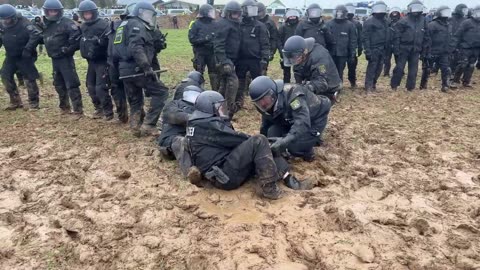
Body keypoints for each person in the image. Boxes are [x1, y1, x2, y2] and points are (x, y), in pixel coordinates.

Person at [186, 91, 309, 200]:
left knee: (261, 145)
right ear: (209, 109)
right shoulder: (209, 125)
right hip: (224, 176)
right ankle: (270, 189)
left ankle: (288, 177)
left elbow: (231, 140)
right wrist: (266, 142)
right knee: (259, 141)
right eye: (219, 107)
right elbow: (239, 139)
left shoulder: (197, 124)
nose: (222, 110)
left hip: (219, 173)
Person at [113, 1, 169, 136]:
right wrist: (146, 66)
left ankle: (135, 127)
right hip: (137, 68)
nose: (150, 18)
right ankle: (149, 124)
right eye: (149, 14)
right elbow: (136, 47)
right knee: (162, 92)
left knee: (135, 99)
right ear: (141, 12)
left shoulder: (124, 24)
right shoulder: (137, 25)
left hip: (124, 69)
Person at [248, 76, 331, 161]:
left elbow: (302, 121)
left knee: (293, 147)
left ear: (272, 93)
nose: (263, 104)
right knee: (272, 135)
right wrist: (262, 142)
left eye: (264, 99)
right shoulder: (263, 107)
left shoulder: (293, 95)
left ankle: (308, 149)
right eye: (259, 102)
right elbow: (266, 123)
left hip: (314, 117)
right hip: (290, 118)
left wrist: (286, 140)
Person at [42, 0, 83, 116]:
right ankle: (64, 107)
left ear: (59, 11)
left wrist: (68, 49)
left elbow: (76, 38)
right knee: (58, 84)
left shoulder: (67, 23)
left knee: (71, 84)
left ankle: (78, 110)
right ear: (46, 11)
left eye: (55, 11)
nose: (52, 13)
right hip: (54, 59)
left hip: (65, 59)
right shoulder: (47, 24)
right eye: (50, 11)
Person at [0, 4, 42, 110]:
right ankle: (15, 101)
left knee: (29, 78)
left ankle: (34, 102)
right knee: (5, 75)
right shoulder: (2, 24)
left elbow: (36, 35)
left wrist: (28, 48)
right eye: (3, 19)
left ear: (13, 17)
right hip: (11, 55)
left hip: (24, 55)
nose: (6, 21)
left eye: (8, 19)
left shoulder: (24, 22)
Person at [78, 0, 114, 120]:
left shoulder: (103, 25)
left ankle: (108, 111)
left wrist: (99, 42)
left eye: (89, 13)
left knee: (101, 87)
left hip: (102, 61)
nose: (87, 16)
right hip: (90, 62)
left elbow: (110, 41)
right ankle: (98, 108)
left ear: (94, 13)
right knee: (90, 86)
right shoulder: (82, 27)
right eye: (85, 14)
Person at [158, 85, 202, 178]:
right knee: (180, 141)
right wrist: (195, 118)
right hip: (169, 143)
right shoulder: (174, 104)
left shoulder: (199, 109)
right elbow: (175, 115)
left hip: (191, 143)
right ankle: (190, 172)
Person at [282, 35, 342, 103]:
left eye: (294, 57)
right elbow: (297, 72)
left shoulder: (319, 57)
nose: (293, 60)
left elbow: (322, 83)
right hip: (311, 79)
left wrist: (303, 89)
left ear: (304, 52)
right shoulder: (300, 54)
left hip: (329, 87)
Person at [235, 0, 269, 111]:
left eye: (254, 9)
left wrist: (265, 58)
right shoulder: (238, 24)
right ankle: (239, 102)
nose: (253, 12)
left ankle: (262, 103)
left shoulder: (260, 26)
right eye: (250, 9)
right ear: (244, 10)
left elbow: (265, 44)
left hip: (255, 59)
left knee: (258, 82)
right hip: (240, 59)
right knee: (240, 81)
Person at [390, 0, 430, 91]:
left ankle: (410, 87)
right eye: (414, 8)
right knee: (399, 68)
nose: (416, 11)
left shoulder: (423, 21)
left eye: (418, 8)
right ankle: (394, 85)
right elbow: (396, 36)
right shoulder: (403, 21)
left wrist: (424, 50)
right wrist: (396, 49)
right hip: (403, 48)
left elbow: (426, 37)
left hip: (416, 49)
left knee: (413, 70)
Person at [213, 1, 241, 117]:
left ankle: (217, 108)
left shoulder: (235, 24)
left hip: (231, 59)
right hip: (224, 60)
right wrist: (224, 61)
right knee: (233, 83)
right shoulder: (223, 24)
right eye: (233, 13)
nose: (235, 15)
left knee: (224, 85)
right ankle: (229, 109)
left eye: (237, 13)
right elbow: (218, 44)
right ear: (228, 13)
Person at [419, 6, 454, 92]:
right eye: (444, 12)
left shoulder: (449, 25)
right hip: (433, 51)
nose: (446, 14)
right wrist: (426, 52)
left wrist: (450, 50)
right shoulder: (432, 25)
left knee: (446, 69)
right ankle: (423, 86)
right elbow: (427, 39)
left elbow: (450, 39)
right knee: (427, 69)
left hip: (444, 52)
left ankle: (445, 86)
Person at [188, 4, 218, 90]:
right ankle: (197, 90)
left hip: (212, 52)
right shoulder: (195, 24)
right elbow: (192, 39)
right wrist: (205, 39)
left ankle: (215, 91)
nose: (212, 14)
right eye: (210, 12)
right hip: (200, 53)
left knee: (214, 73)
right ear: (205, 13)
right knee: (198, 73)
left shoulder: (215, 24)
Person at [362, 1, 390, 92]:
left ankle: (374, 83)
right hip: (373, 48)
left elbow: (387, 34)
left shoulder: (386, 21)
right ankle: (368, 86)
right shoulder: (369, 22)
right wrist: (367, 50)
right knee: (372, 68)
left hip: (383, 48)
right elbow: (365, 38)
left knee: (379, 68)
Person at [326, 5, 357, 83]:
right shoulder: (329, 24)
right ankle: (330, 85)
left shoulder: (350, 25)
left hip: (343, 53)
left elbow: (353, 40)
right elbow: (325, 38)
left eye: (341, 13)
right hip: (331, 52)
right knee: (330, 70)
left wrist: (352, 53)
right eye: (337, 12)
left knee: (340, 71)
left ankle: (339, 86)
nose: (339, 14)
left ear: (345, 13)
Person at [452, 5, 480, 88]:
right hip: (465, 47)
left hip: (476, 48)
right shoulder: (467, 22)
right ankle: (455, 80)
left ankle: (466, 81)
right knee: (463, 64)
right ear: (473, 13)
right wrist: (453, 46)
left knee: (471, 65)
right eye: (478, 12)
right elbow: (458, 35)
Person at [257, 2, 280, 74]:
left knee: (262, 72)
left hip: (265, 50)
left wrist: (271, 52)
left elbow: (274, 38)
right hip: (253, 50)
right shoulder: (253, 21)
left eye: (261, 12)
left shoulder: (270, 23)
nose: (260, 14)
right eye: (258, 12)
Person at [278, 9, 300, 83]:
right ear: (287, 17)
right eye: (291, 16)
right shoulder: (283, 27)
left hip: (298, 52)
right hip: (286, 52)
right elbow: (279, 40)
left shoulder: (300, 26)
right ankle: (286, 85)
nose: (292, 18)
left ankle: (299, 85)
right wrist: (281, 51)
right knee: (286, 72)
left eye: (294, 16)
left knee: (298, 71)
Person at [345, 3, 363, 88]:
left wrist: (360, 47)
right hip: (342, 48)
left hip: (352, 48)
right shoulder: (340, 22)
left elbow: (360, 37)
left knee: (352, 67)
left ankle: (352, 82)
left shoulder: (357, 24)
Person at [449, 4, 468, 78]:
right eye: (464, 10)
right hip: (452, 41)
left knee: (460, 60)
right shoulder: (450, 19)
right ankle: (450, 74)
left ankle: (456, 75)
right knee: (452, 59)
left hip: (461, 42)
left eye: (466, 10)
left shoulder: (465, 20)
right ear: (459, 10)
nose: (465, 12)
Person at [383, 7, 401, 77]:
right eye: (393, 12)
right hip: (388, 43)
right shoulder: (387, 22)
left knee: (398, 59)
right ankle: (386, 72)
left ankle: (400, 72)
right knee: (387, 59)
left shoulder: (401, 22)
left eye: (396, 12)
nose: (394, 14)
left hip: (397, 43)